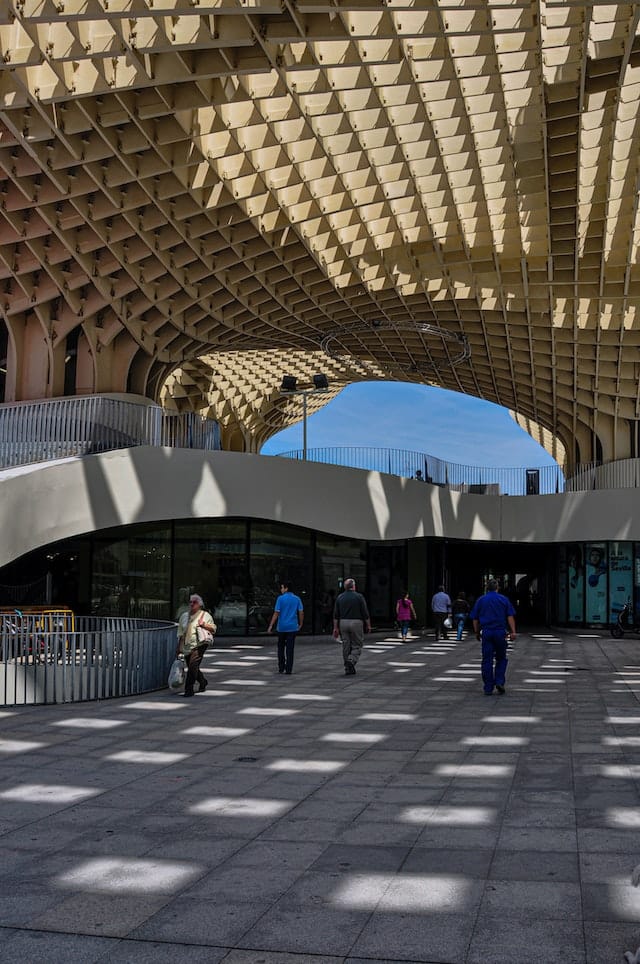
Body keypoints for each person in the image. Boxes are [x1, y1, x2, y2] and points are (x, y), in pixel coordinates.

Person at [470, 578, 516, 696]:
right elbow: (510, 616)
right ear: (497, 588)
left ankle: (488, 687)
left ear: (487, 588)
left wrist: (476, 632)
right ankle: (499, 681)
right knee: (501, 658)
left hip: (487, 632)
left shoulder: (481, 600)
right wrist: (513, 631)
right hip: (500, 632)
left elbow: (475, 619)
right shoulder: (503, 599)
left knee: (487, 659)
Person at [176, 593, 216, 697]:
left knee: (192, 666)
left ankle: (189, 690)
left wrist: (204, 625)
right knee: (193, 667)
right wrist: (179, 649)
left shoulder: (205, 615)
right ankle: (203, 681)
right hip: (187, 646)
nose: (192, 604)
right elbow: (181, 634)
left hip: (200, 644)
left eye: (195, 602)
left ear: (200, 604)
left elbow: (213, 629)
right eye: (191, 602)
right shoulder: (184, 616)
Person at [333, 577, 371, 676]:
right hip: (356, 622)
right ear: (353, 586)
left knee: (346, 645)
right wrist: (368, 624)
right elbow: (365, 612)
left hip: (343, 622)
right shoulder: (359, 597)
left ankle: (347, 667)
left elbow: (336, 614)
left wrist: (335, 628)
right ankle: (351, 660)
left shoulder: (340, 597)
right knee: (357, 644)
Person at [267, 581, 304, 675]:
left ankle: (281, 667)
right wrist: (300, 623)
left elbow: (276, 612)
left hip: (282, 627)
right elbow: (301, 612)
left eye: (282, 588)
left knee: (280, 648)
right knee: (290, 649)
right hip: (292, 627)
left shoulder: (280, 599)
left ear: (286, 588)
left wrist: (271, 625)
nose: (281, 590)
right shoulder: (297, 599)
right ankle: (289, 669)